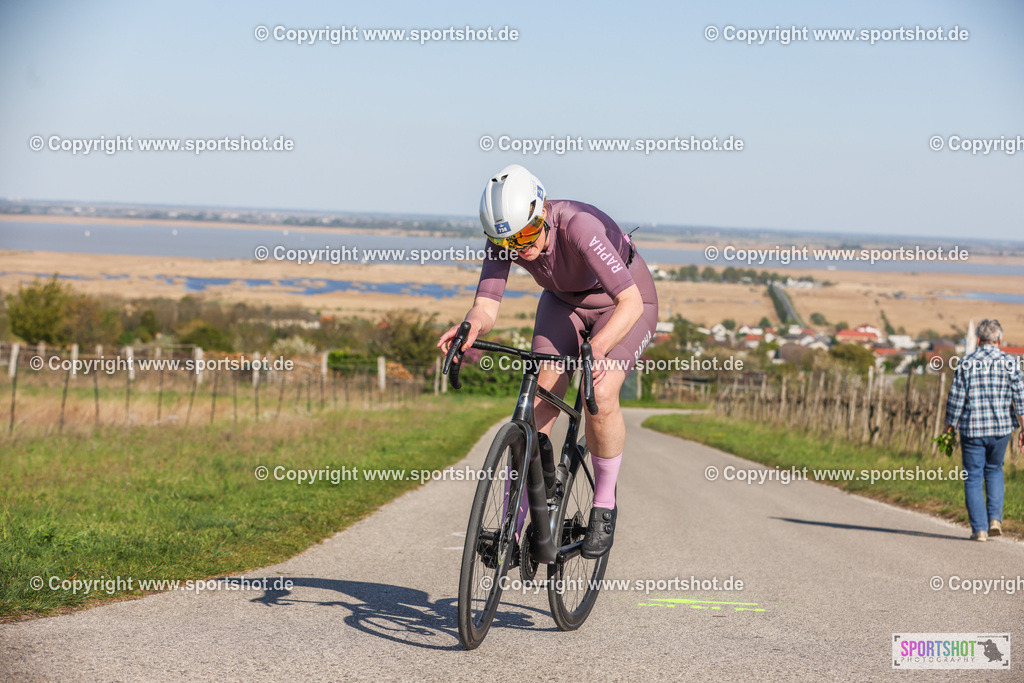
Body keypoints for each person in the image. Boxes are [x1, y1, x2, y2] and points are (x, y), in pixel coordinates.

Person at [438, 164, 658, 558]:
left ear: (541, 214)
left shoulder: (579, 226)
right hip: (562, 304)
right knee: (537, 401)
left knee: (601, 391)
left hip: (624, 304)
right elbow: (487, 305)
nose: (517, 249)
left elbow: (631, 302)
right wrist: (470, 326)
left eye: (524, 235)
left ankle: (604, 506)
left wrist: (599, 348)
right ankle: (514, 524)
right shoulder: (506, 239)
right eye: (506, 242)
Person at [944, 318, 1024, 541]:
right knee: (995, 470)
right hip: (1001, 429)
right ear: (999, 339)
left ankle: (979, 529)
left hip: (972, 429)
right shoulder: (1011, 363)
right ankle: (995, 519)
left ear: (978, 340)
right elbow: (1021, 399)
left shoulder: (966, 362)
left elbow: (956, 399)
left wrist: (949, 425)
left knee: (972, 477)